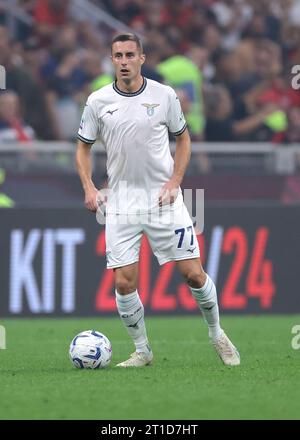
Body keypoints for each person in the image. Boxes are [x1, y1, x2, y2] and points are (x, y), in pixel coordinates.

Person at [76, 33, 240, 367]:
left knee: (193, 274)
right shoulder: (98, 101)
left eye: (129, 55)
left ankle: (217, 334)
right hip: (121, 202)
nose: (123, 61)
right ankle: (142, 351)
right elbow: (83, 146)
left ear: (142, 58)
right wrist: (89, 187)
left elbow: (183, 139)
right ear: (112, 60)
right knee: (123, 282)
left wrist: (175, 182)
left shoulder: (164, 95)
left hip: (164, 200)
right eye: (117, 56)